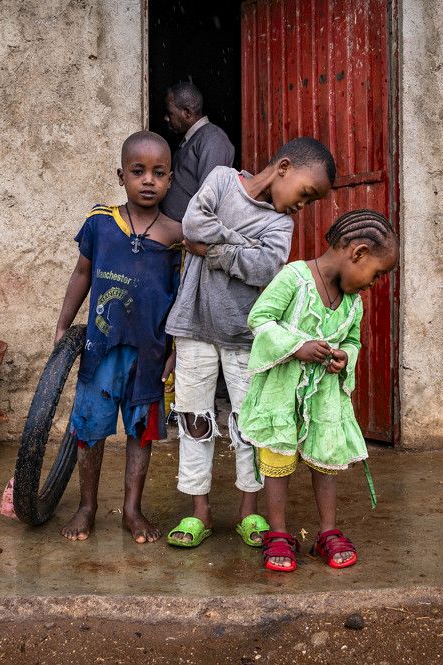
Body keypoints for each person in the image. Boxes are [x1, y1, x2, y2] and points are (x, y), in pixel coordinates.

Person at [165, 137, 336, 548]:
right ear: (283, 168)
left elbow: (265, 268)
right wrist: (241, 243)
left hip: (246, 336)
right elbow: (192, 226)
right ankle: (199, 512)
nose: (302, 205)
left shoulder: (281, 224)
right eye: (305, 193)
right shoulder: (222, 180)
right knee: (193, 418)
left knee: (249, 424)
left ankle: (249, 510)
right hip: (192, 325)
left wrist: (213, 249)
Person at [238, 209, 399, 572]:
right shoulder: (293, 278)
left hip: (324, 396)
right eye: (376, 274)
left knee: (324, 458)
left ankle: (327, 532)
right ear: (357, 253)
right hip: (281, 393)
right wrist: (297, 347)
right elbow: (259, 318)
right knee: (277, 458)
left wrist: (345, 356)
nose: (373, 284)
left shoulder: (353, 302)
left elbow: (353, 340)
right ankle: (279, 533)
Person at [54, 130, 183, 544]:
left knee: (141, 431)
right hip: (102, 348)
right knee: (90, 428)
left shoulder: (176, 236)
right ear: (121, 175)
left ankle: (132, 509)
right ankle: (86, 506)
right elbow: (82, 274)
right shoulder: (100, 222)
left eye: (159, 173)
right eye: (138, 171)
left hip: (150, 352)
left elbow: (182, 300)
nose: (148, 180)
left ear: (170, 180)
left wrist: (176, 350)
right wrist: (63, 324)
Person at [161, 81, 236, 223]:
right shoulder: (192, 138)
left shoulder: (214, 140)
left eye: (170, 113)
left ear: (187, 113)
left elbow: (209, 198)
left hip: (187, 233)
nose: (166, 118)